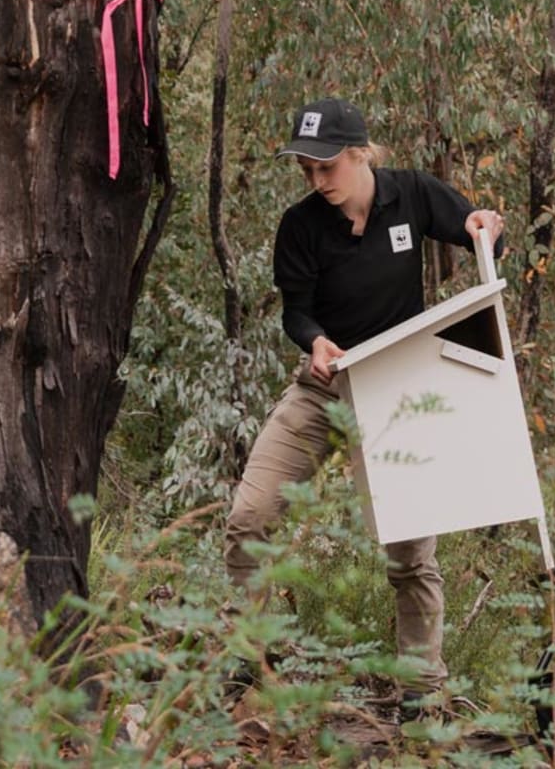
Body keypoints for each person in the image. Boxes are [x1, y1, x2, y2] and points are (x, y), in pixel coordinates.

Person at [223, 97, 505, 709]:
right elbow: (297, 311)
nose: (317, 181)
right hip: (325, 387)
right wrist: (315, 342)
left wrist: (486, 225)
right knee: (249, 517)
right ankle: (244, 665)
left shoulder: (412, 195)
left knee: (410, 553)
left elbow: (477, 233)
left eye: (327, 167)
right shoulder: (300, 226)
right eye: (306, 170)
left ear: (361, 155)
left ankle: (422, 693)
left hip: (397, 391)